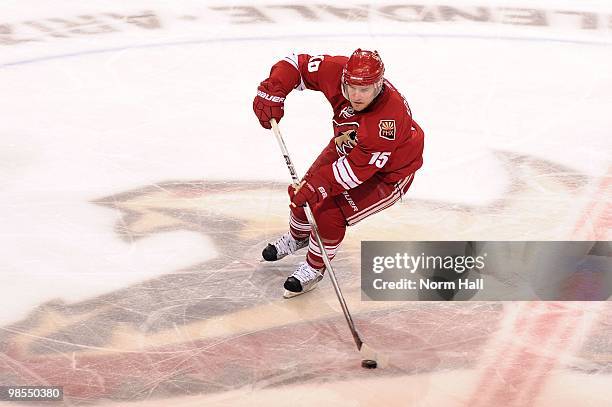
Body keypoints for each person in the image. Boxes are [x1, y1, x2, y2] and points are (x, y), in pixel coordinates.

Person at [253, 49, 425, 298]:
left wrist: (318, 187)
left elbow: (356, 171)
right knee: (302, 193)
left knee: (327, 212)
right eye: (351, 87)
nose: (355, 95)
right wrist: (273, 89)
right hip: (351, 144)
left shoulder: (387, 122)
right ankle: (298, 236)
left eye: (364, 90)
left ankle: (314, 267)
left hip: (387, 174)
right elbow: (296, 64)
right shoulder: (339, 71)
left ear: (378, 85)